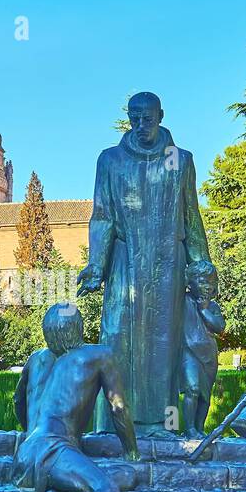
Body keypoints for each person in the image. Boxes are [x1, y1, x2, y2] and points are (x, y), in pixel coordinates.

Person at [77, 91, 210, 437]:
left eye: (146, 118)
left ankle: (168, 427)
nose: (139, 125)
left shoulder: (179, 160)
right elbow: (102, 216)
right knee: (116, 339)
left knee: (165, 349)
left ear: (161, 116)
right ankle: (111, 428)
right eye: (133, 118)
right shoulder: (110, 160)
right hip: (124, 263)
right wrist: (96, 266)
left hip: (168, 266)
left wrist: (202, 266)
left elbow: (191, 216)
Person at [13, 303, 140, 492]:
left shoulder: (35, 359)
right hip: (53, 450)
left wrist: (32, 433)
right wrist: (132, 451)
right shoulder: (98, 355)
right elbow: (118, 407)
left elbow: (18, 402)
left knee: (127, 475)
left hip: (25, 456)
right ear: (79, 328)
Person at [181, 259, 225, 438]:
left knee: (205, 395)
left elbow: (220, 327)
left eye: (210, 281)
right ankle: (189, 428)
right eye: (201, 281)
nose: (207, 286)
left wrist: (204, 310)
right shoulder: (181, 301)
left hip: (209, 355)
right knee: (193, 388)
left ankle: (199, 429)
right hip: (188, 352)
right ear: (190, 283)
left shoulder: (212, 307)